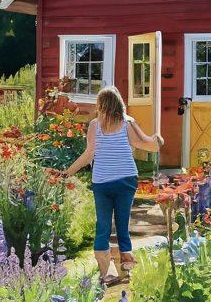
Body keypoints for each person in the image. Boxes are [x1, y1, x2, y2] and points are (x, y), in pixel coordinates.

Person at [64, 85, 163, 286]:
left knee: (103, 226)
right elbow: (148, 145)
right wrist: (158, 139)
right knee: (122, 224)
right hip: (126, 180)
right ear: (119, 103)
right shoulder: (128, 123)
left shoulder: (94, 125)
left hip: (102, 182)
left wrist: (68, 172)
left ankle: (107, 273)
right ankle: (126, 267)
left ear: (100, 105)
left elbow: (88, 155)